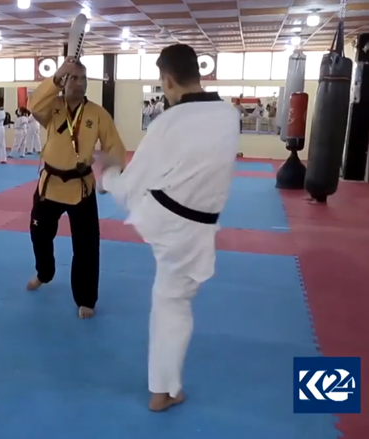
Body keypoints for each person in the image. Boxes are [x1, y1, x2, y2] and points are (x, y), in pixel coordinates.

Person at [100, 44, 239, 412]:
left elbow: (133, 186)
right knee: (173, 302)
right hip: (197, 226)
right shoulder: (230, 115)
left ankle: (164, 389)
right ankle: (164, 389)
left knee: (170, 301)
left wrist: (110, 174)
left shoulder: (167, 122)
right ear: (199, 73)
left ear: (168, 80)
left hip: (167, 220)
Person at [26, 58, 126, 319]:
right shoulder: (52, 107)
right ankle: (44, 273)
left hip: (81, 187)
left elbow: (114, 146)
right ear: (65, 81)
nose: (80, 83)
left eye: (84, 79)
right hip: (49, 185)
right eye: (74, 78)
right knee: (39, 235)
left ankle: (86, 298)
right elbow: (33, 105)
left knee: (87, 247)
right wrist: (56, 76)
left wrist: (111, 173)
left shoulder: (97, 113)